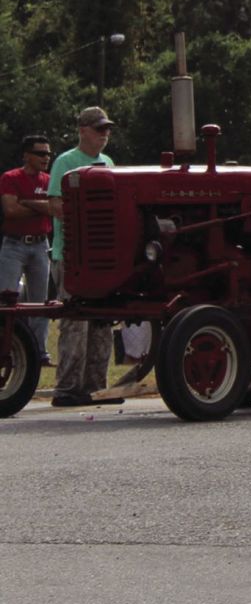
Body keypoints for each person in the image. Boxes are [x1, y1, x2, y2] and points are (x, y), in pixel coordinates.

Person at [47, 107, 122, 407]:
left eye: (107, 129)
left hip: (103, 256)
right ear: (83, 130)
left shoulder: (108, 163)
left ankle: (95, 386)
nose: (104, 134)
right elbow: (54, 204)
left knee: (102, 321)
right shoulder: (65, 162)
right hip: (72, 254)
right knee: (75, 323)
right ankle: (67, 388)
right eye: (98, 129)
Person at [0, 134, 56, 364]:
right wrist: (42, 207)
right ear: (26, 155)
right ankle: (7, 348)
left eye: (48, 153)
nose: (46, 158)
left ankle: (39, 352)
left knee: (39, 302)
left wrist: (28, 202)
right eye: (40, 153)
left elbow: (55, 209)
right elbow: (10, 210)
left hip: (41, 245)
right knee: (6, 299)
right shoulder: (10, 178)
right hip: (14, 244)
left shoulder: (49, 180)